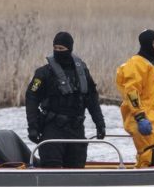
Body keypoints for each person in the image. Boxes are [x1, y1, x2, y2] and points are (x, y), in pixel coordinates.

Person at [25, 31, 106, 168]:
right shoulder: (43, 73)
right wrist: (32, 127)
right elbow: (31, 98)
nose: (58, 51)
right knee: (51, 167)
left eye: (61, 49)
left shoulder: (82, 72)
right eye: (55, 48)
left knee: (77, 167)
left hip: (76, 129)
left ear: (70, 49)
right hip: (53, 128)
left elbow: (91, 99)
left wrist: (100, 123)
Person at [115, 29, 154, 168]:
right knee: (149, 155)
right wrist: (140, 117)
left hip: (153, 122)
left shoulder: (151, 63)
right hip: (143, 120)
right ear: (147, 45)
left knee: (153, 154)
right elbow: (132, 91)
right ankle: (145, 183)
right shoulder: (137, 64)